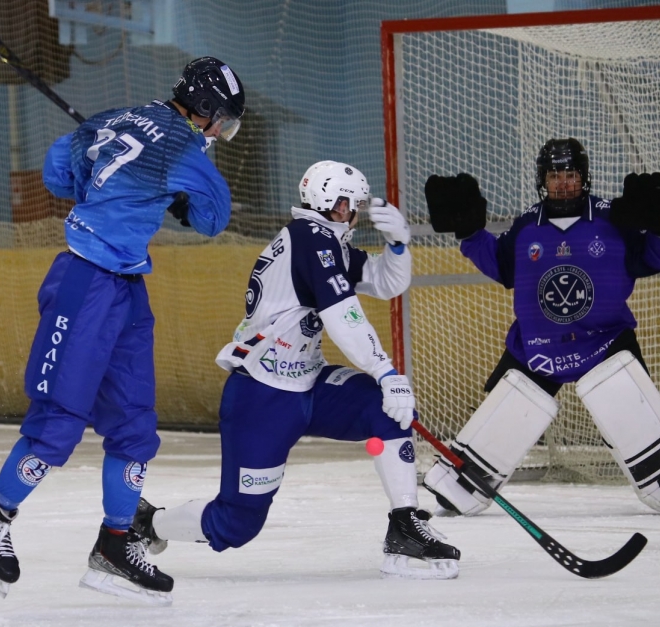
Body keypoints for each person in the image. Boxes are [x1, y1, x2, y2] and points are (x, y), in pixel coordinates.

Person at [0, 56, 246, 604]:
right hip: (85, 283)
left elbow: (56, 173)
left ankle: (115, 545)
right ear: (204, 111)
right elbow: (214, 220)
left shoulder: (111, 119)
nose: (220, 134)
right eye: (222, 124)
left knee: (134, 425)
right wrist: (182, 196)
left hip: (124, 287)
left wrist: (105, 173)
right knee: (59, 420)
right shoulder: (186, 152)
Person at [133, 160, 461, 580]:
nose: (356, 215)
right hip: (264, 395)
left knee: (387, 409)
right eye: (353, 206)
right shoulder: (311, 240)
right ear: (337, 204)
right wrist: (385, 371)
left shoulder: (324, 241)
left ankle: (405, 525)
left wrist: (398, 245)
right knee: (235, 524)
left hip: (309, 383)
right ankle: (149, 523)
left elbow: (384, 282)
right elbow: (343, 315)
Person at [421, 137, 660, 517]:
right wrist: (470, 234)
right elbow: (501, 266)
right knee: (505, 418)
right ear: (543, 180)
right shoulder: (526, 226)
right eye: (555, 175)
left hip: (604, 340)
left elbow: (652, 258)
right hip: (539, 345)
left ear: (583, 177)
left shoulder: (614, 219)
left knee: (626, 408)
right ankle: (465, 482)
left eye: (570, 174)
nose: (563, 182)